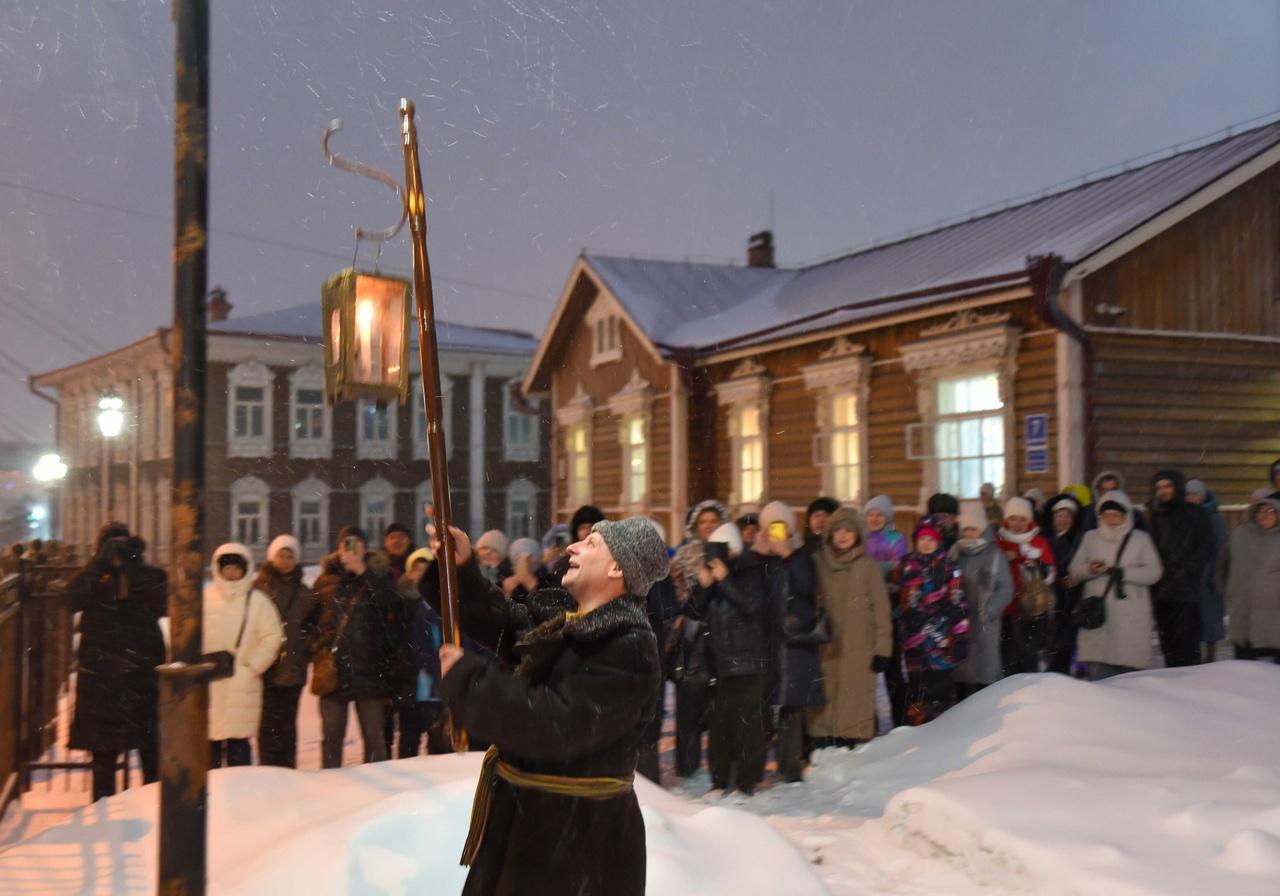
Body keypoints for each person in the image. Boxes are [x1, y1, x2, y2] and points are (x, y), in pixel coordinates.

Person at [432, 517, 667, 896]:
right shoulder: (573, 623)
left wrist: (470, 683)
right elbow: (503, 621)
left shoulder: (629, 648)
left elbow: (555, 725)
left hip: (577, 849)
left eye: (591, 544)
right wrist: (459, 570)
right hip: (535, 831)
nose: (572, 548)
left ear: (617, 568)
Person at [66, 524, 167, 801]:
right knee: (103, 756)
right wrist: (100, 565)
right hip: (102, 678)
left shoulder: (148, 576)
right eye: (111, 545)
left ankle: (152, 804)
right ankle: (103, 811)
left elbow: (162, 602)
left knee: (150, 752)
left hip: (140, 675)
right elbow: (70, 599)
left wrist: (134, 564)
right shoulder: (95, 576)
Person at [693, 519, 776, 795]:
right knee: (719, 728)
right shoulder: (714, 576)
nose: (716, 555)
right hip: (718, 664)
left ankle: (746, 782)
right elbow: (694, 613)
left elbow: (753, 607)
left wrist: (725, 580)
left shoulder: (751, 570)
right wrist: (704, 586)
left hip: (748, 662)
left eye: (721, 548)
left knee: (748, 727)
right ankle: (719, 780)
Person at [312, 526, 401, 767]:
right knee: (331, 739)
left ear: (364, 547)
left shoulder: (379, 576)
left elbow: (391, 607)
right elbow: (308, 621)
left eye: (355, 543)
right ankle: (331, 790)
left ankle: (379, 794)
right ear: (338, 549)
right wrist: (320, 650)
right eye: (345, 544)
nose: (349, 549)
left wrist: (363, 572)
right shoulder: (326, 579)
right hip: (333, 673)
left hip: (369, 670)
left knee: (374, 739)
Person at [808, 507, 891, 748]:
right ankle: (822, 737)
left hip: (859, 646)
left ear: (857, 535)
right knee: (826, 689)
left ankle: (855, 738)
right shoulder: (818, 563)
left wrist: (883, 648)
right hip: (826, 645)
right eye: (838, 531)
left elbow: (881, 610)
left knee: (856, 692)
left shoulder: (867, 566)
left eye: (849, 531)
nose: (843, 535)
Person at [755, 503, 823, 782]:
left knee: (791, 706)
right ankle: (768, 763)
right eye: (771, 527)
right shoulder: (761, 558)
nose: (776, 533)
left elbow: (808, 590)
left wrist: (789, 556)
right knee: (765, 705)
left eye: (781, 526)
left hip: (794, 642)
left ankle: (790, 766)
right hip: (768, 643)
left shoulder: (802, 556)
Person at [204, 543, 284, 768]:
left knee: (239, 746)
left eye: (236, 568)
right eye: (226, 567)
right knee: (210, 749)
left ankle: (240, 795)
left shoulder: (258, 601)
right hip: (211, 682)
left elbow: (272, 635)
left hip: (243, 681)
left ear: (245, 569)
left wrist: (254, 665)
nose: (231, 572)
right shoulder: (205, 599)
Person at [1070, 492, 1163, 680]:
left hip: (1131, 615)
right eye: (1107, 515)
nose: (1111, 519)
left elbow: (1155, 572)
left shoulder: (1140, 539)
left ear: (1126, 515)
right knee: (1101, 679)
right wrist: (1091, 569)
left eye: (1116, 515)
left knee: (1131, 680)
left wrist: (1125, 573)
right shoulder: (1091, 538)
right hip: (1100, 615)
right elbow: (1074, 570)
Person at [889, 516, 969, 725]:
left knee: (939, 691)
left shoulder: (950, 568)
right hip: (913, 642)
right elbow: (896, 596)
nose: (925, 543)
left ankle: (940, 733)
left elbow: (958, 603)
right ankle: (916, 730)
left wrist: (960, 636)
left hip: (940, 641)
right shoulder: (906, 565)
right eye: (921, 539)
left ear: (939, 541)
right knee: (916, 692)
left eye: (931, 539)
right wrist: (899, 612)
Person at [255, 534, 315, 768]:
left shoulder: (304, 591)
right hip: (266, 666)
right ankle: (267, 768)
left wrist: (305, 649)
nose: (285, 559)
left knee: (288, 724)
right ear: (272, 557)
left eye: (290, 555)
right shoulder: (259, 588)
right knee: (268, 722)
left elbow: (312, 624)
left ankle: (288, 769)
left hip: (293, 666)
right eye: (281, 554)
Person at [1147, 470, 1213, 668]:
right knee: (1168, 647)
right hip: (1161, 591)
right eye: (1159, 487)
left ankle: (1189, 689)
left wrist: (1185, 571)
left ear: (1177, 487)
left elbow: (1205, 547)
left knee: (1187, 647)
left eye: (1168, 486)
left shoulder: (1195, 513)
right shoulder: (1156, 515)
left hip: (1186, 591)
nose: (1163, 491)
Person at [950, 504, 1013, 699]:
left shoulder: (994, 555)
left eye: (973, 528)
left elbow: (1006, 588)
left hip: (985, 622)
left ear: (982, 529)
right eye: (966, 529)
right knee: (961, 673)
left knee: (984, 675)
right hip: (959, 623)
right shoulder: (954, 554)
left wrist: (991, 609)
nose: (970, 533)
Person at [395, 547, 452, 756]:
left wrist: (437, 667)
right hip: (408, 680)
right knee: (408, 739)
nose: (420, 573)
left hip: (435, 683)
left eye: (425, 569)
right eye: (416, 569)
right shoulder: (398, 600)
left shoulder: (442, 603)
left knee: (438, 740)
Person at [995, 497, 1057, 676]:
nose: (1017, 524)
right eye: (1013, 518)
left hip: (1031, 611)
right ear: (1006, 520)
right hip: (1005, 610)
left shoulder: (1039, 542)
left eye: (1022, 519)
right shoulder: (997, 541)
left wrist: (1036, 565)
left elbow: (1051, 573)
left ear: (1029, 521)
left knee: (1028, 657)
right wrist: (1001, 560)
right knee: (1006, 657)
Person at [863, 494, 908, 726]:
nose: (874, 518)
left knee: (891, 667)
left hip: (890, 607)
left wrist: (876, 570)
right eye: (871, 514)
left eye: (879, 514)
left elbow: (898, 571)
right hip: (866, 608)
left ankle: (900, 718)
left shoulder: (896, 539)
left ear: (887, 517)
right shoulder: (861, 538)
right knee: (866, 668)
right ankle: (868, 719)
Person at [1222, 495, 1280, 662]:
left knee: (1271, 668)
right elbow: (1225, 562)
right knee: (1243, 664)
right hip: (1242, 608)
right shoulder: (1241, 535)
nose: (1265, 514)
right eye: (1261, 511)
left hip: (1273, 611)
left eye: (1271, 511)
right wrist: (1226, 587)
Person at [1184, 480, 1227, 661]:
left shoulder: (1214, 518)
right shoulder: (1184, 516)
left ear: (1202, 496)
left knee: (1210, 618)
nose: (1192, 498)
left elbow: (1220, 548)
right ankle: (1193, 655)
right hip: (1190, 575)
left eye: (1195, 495)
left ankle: (1210, 656)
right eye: (1188, 495)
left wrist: (1214, 575)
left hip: (1209, 575)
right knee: (1192, 619)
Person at [1044, 493, 1086, 675]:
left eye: (1067, 516)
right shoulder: (1047, 540)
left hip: (1072, 596)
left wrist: (1075, 575)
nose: (1062, 520)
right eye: (1059, 516)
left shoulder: (1080, 540)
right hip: (1052, 596)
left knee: (1067, 640)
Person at [501, 537, 542, 603]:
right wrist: (507, 592)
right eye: (519, 558)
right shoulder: (507, 580)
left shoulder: (541, 578)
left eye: (528, 559)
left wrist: (533, 590)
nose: (524, 564)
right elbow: (503, 609)